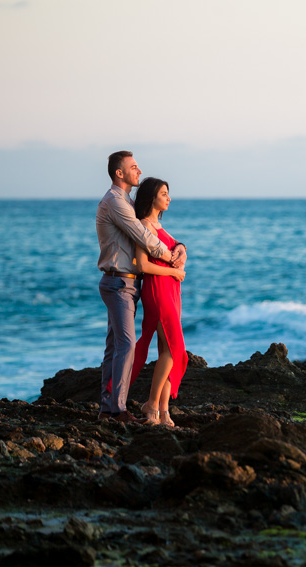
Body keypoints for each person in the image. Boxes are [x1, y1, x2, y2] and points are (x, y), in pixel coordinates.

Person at [97, 151, 186, 422]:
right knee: (127, 344)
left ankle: (108, 407)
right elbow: (143, 236)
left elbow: (156, 232)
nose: (139, 170)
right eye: (133, 167)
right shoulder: (117, 202)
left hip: (129, 283)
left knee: (115, 346)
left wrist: (180, 247)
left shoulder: (127, 202)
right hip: (119, 281)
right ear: (119, 173)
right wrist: (171, 258)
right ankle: (119, 409)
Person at [128, 177, 188, 426]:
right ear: (152, 197)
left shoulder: (158, 226)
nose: (169, 198)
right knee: (175, 350)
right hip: (158, 290)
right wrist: (174, 272)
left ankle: (164, 411)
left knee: (167, 350)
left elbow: (176, 246)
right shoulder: (143, 225)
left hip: (171, 292)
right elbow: (142, 265)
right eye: (164, 193)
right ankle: (151, 405)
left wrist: (183, 250)